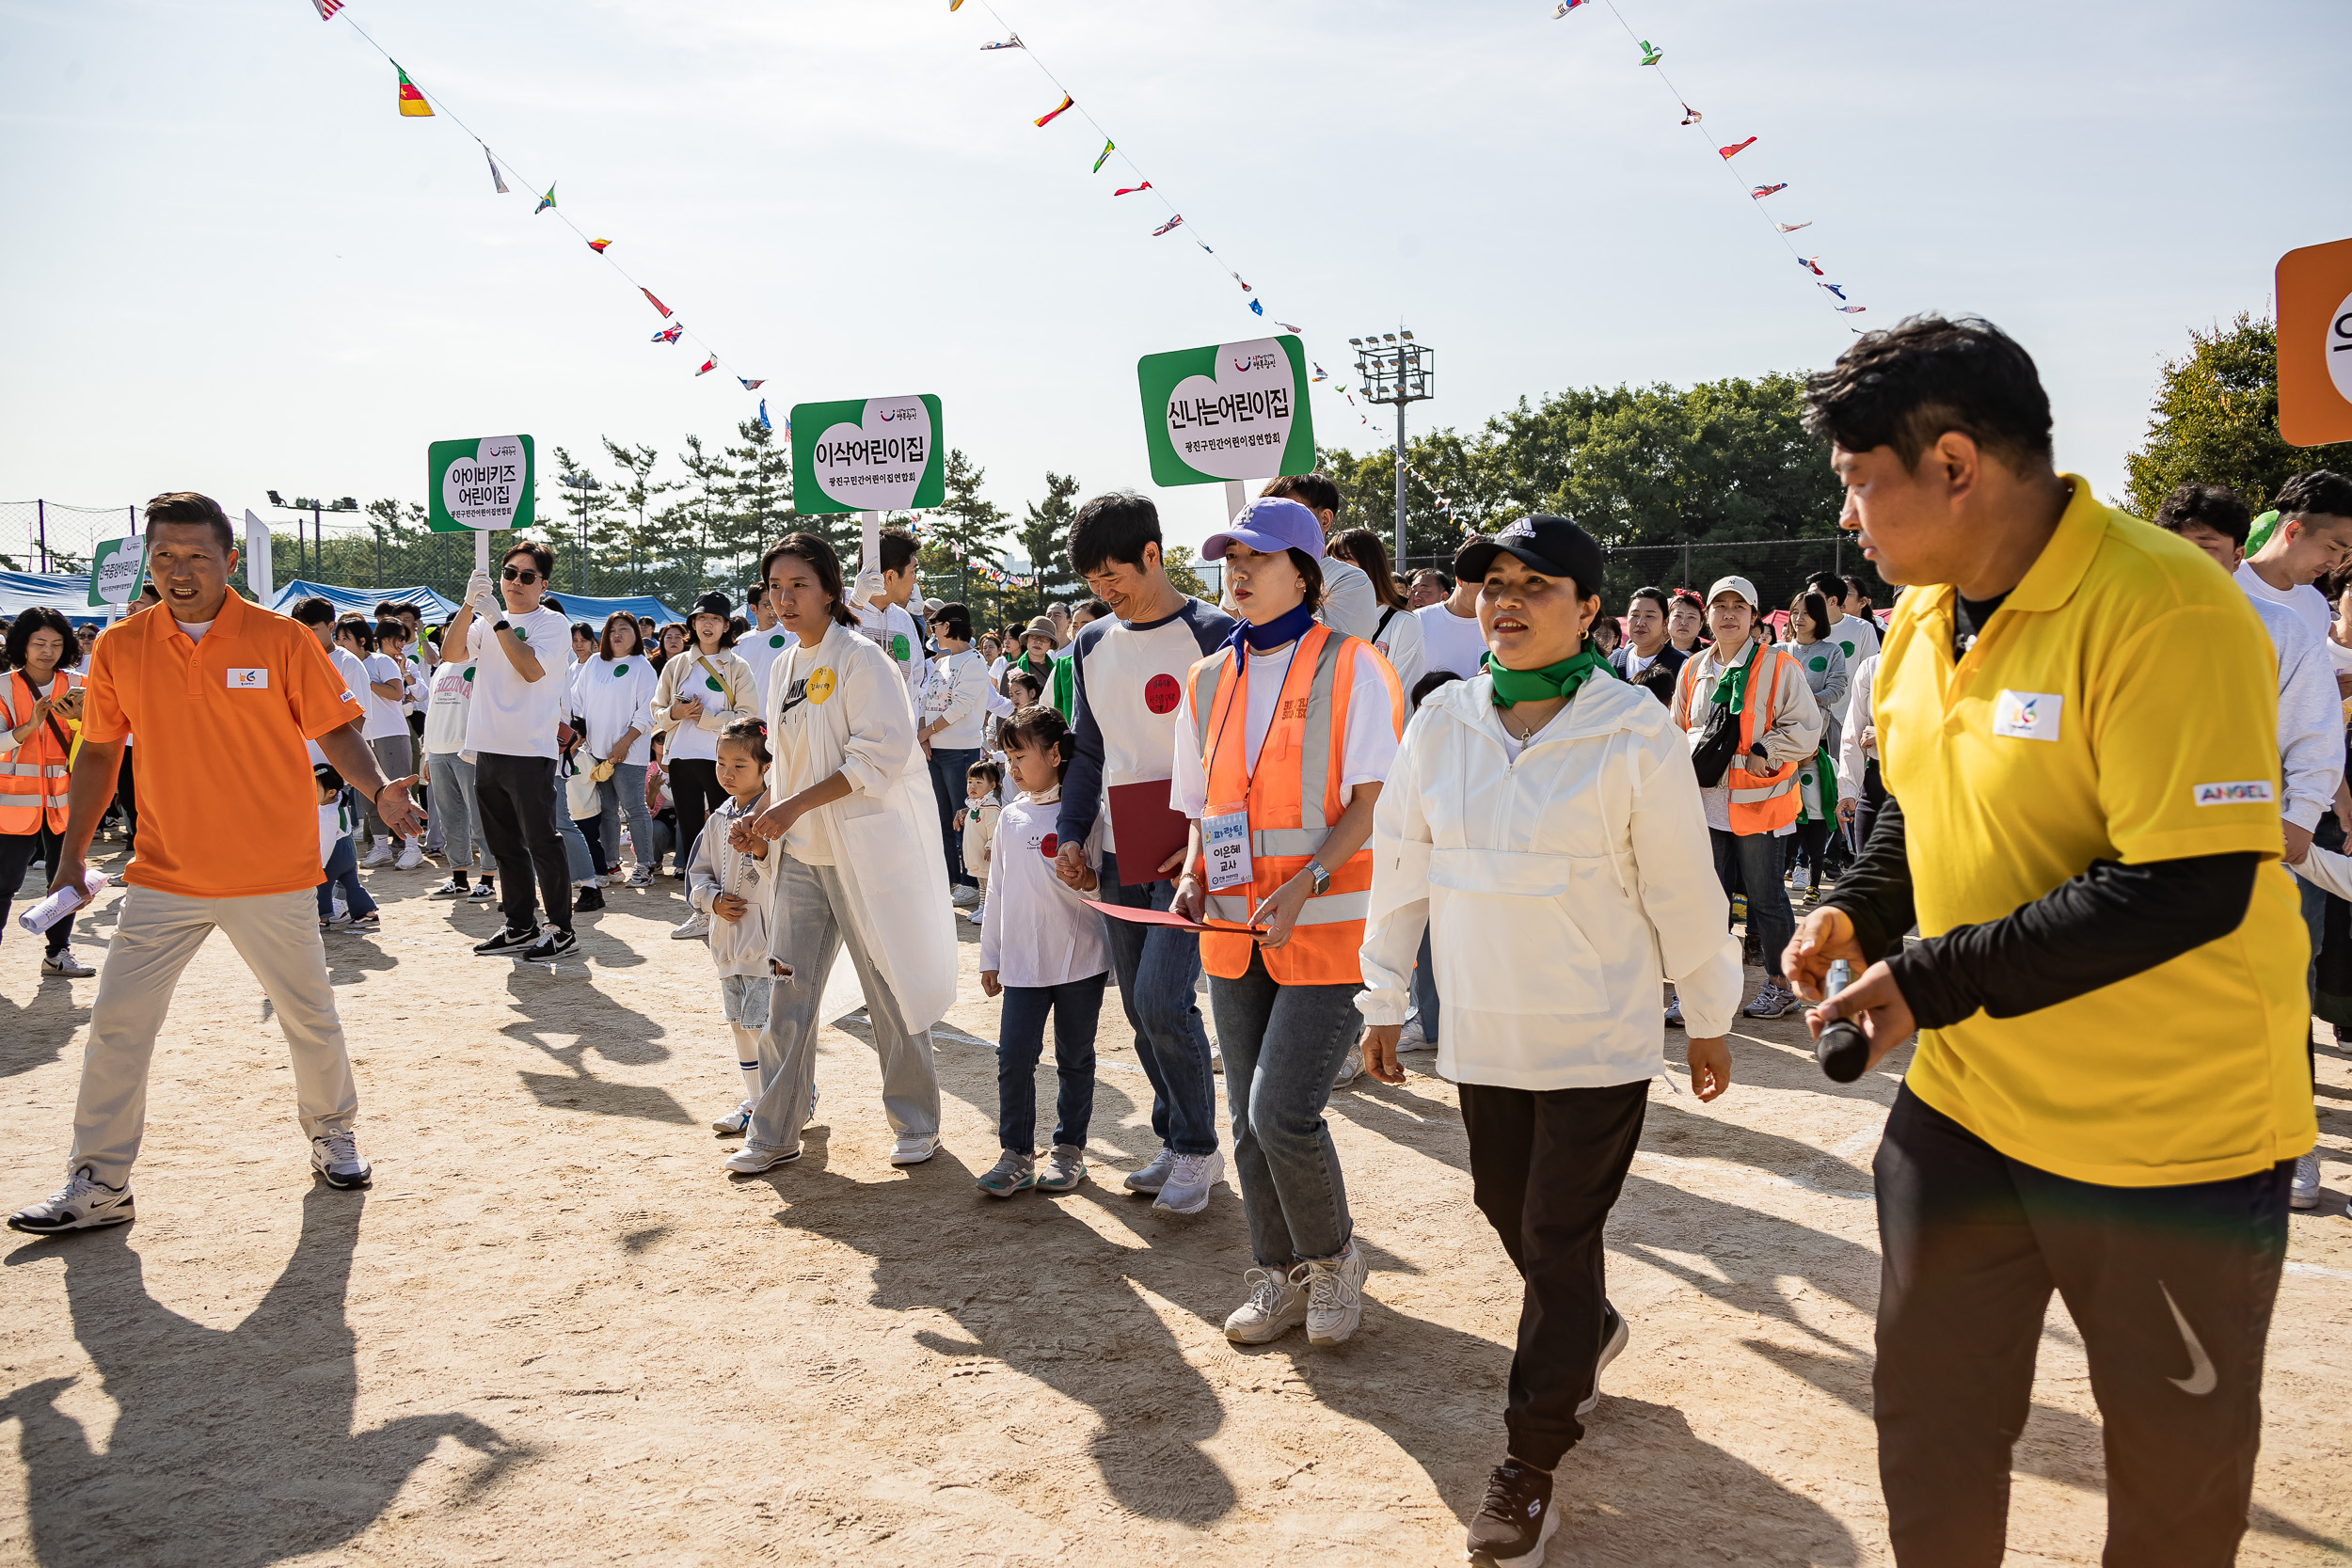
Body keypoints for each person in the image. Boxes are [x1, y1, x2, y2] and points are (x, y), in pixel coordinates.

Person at [1787, 315, 2312, 1566]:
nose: (1850, 518)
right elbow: (1922, 798)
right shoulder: (1920, 616)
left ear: (1955, 464)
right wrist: (1857, 905)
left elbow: (2184, 886)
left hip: (2168, 1136)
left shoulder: (2163, 606)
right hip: (1970, 1109)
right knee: (1933, 1422)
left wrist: (1927, 976)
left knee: (2174, 1476)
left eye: (1862, 481)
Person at [1355, 514, 1738, 1568]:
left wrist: (1707, 1010)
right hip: (1480, 1033)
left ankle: (1529, 1465)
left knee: (1555, 1238)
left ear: (1587, 610)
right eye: (1492, 584)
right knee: (1511, 1214)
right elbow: (1402, 860)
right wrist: (1382, 993)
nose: (1506, 601)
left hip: (1596, 1038)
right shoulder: (1443, 723)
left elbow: (1680, 885)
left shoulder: (1630, 728)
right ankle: (1589, 1327)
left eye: (1535, 583)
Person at [8, 492, 421, 1234]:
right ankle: (100, 1179)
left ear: (230, 560)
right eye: (164, 555)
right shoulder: (122, 648)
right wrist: (71, 854)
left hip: (274, 871)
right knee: (118, 1023)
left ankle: (332, 1129)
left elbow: (335, 729)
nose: (180, 570)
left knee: (308, 1016)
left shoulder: (280, 639)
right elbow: (99, 750)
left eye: (197, 554)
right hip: (165, 874)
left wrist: (380, 790)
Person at [1168, 496, 1405, 1343]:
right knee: (1243, 1119)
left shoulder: (1354, 665)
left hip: (1330, 924)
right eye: (1230, 558)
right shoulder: (1207, 679)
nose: (1237, 571)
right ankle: (1280, 1273)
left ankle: (1336, 1263)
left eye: (1256, 558)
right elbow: (1203, 811)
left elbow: (1376, 800)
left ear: (1303, 572)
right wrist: (1196, 876)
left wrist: (1308, 878)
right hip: (1233, 931)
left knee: (1281, 1112)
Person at [734, 531, 956, 1174]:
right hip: (802, 856)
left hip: (863, 852)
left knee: (888, 988)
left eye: (798, 584)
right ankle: (775, 1128)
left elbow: (877, 755)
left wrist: (788, 807)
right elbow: (789, 765)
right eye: (776, 587)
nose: (784, 598)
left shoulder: (862, 659)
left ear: (831, 589)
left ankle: (917, 1122)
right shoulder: (782, 665)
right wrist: (761, 814)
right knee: (787, 995)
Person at [2152, 481, 2344, 1213]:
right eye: (2181, 548)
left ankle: (2291, 1149)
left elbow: (2316, 734)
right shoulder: (2130, 627)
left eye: (2209, 550)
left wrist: (2299, 817)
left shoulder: (2281, 631)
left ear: (2236, 555)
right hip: (2155, 855)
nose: (2194, 563)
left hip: (2254, 850)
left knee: (2272, 1004)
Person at [1057, 490, 1235, 1212]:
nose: (1105, 594)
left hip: (1190, 849)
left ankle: (1199, 1149)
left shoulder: (1217, 634)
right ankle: (1176, 1133)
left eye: (1114, 576)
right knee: (1136, 1005)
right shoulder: (1091, 643)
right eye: (1093, 583)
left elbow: (1235, 755)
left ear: (1154, 555)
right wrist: (1072, 832)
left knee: (1167, 997)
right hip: (1116, 847)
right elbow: (1089, 751)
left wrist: (1199, 842)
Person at [1671, 575, 1821, 1020]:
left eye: (1740, 606)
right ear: (1709, 616)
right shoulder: (1694, 668)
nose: (1729, 613)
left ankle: (1782, 984)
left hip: (1760, 806)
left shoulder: (1778, 666)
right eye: (1721, 606)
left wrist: (1768, 749)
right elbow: (1675, 729)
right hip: (1705, 805)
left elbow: (1806, 727)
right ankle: (1701, 990)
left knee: (1766, 898)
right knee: (1706, 901)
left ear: (1754, 617)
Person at [976, 704, 1107, 1197]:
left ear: (1055, 754)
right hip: (1023, 965)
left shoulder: (1089, 812)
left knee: (1075, 1059)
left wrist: (1088, 879)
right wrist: (992, 957)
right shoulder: (1010, 817)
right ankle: (1016, 1155)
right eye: (1007, 758)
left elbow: (1104, 890)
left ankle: (1070, 1151)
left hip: (1080, 962)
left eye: (1020, 755)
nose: (1012, 767)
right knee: (1013, 1056)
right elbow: (999, 892)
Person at [444, 540, 579, 963]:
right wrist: (469, 606)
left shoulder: (552, 623)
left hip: (529, 747)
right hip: (487, 745)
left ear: (543, 584)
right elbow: (450, 654)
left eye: (526, 576)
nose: (515, 582)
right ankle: (521, 922)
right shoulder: (483, 621)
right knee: (502, 845)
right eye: (509, 573)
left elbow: (532, 669)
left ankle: (562, 927)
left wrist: (498, 619)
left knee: (542, 840)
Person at [689, 717, 780, 1140]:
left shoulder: (778, 814)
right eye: (721, 762)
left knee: (765, 1027)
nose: (727, 772)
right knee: (740, 1024)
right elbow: (699, 872)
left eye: (740, 764)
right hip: (727, 945)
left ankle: (785, 1098)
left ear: (766, 767)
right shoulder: (718, 817)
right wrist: (711, 901)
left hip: (766, 945)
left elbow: (782, 871)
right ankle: (756, 1100)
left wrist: (758, 847)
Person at [654, 592, 756, 940]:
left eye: (714, 619)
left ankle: (728, 902)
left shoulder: (738, 666)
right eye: (700, 619)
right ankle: (701, 908)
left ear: (726, 625)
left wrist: (707, 718)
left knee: (726, 831)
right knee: (690, 831)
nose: (707, 624)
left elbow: (748, 716)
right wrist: (675, 714)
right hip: (682, 757)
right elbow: (657, 710)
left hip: (722, 760)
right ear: (692, 625)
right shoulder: (677, 664)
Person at [0, 608, 95, 976]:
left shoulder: (80, 684)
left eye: (56, 643)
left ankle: (58, 953)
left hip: (65, 800)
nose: (47, 650)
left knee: (65, 880)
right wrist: (29, 726)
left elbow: (95, 739)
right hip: (11, 803)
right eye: (39, 642)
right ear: (21, 644)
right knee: (4, 884)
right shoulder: (4, 686)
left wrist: (75, 717)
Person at [570, 610, 661, 889]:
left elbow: (647, 713)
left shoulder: (641, 666)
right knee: (606, 810)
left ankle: (644, 865)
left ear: (636, 634)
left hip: (629, 753)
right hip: (597, 752)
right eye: (612, 630)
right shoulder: (595, 662)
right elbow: (577, 702)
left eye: (624, 629)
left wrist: (624, 743)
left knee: (634, 809)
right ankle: (611, 865)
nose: (617, 634)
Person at [1778, 588, 1850, 904]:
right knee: (1784, 807)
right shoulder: (1779, 650)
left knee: (1816, 809)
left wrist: (1805, 701)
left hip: (1817, 741)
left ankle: (1811, 869)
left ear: (1819, 617)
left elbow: (1837, 687)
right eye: (1795, 611)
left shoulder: (1833, 651)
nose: (1799, 618)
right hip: (1779, 741)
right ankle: (1789, 868)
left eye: (1806, 613)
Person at [919, 602, 991, 903]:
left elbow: (960, 707)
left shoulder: (973, 661)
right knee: (943, 819)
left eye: (936, 625)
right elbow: (925, 699)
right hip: (935, 749)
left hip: (960, 750)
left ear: (948, 627)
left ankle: (970, 883)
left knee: (964, 819)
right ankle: (951, 881)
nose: (933, 630)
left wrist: (926, 732)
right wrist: (925, 736)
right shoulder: (942, 662)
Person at [2234, 470, 2352, 644]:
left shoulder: (2316, 605)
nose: (2335, 562)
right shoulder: (2224, 586)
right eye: (2332, 547)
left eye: (2344, 551)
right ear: (2293, 531)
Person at [1263, 472, 1378, 640]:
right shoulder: (1247, 573)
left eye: (1289, 512)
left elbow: (1313, 647)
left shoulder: (1352, 582)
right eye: (1268, 512)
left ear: (1325, 520)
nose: (1275, 523)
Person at [419, 639, 489, 902]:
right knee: (450, 819)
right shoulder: (442, 667)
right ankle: (459, 878)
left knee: (480, 818)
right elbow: (431, 712)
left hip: (468, 749)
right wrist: (427, 753)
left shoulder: (483, 664)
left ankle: (488, 878)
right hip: (438, 749)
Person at [356, 618, 422, 869]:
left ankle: (412, 848)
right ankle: (381, 847)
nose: (340, 643)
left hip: (390, 733)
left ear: (362, 640)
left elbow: (395, 693)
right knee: (369, 794)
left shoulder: (381, 661)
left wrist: (364, 682)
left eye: (344, 638)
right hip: (364, 735)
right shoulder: (347, 664)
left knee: (399, 791)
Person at [1327, 527, 1427, 692]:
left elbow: (1402, 696)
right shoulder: (1319, 617)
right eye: (1331, 562)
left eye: (1344, 562)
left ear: (1372, 566)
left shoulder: (1403, 623)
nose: (1336, 571)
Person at [852, 526, 928, 700]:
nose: (915, 580)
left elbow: (915, 683)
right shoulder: (836, 610)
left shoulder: (905, 620)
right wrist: (855, 607)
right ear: (891, 577)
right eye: (913, 571)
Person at [313, 762, 378, 933]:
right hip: (349, 849)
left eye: (315, 790)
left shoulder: (327, 814)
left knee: (323, 886)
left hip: (334, 853)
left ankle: (322, 918)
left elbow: (326, 843)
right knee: (352, 884)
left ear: (331, 792)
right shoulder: (339, 799)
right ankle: (368, 913)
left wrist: (320, 865)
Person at [1413, 543, 1488, 682]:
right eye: (1483, 584)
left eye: (1497, 582)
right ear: (1460, 578)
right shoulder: (1418, 622)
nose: (1490, 593)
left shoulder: (1504, 627)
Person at [1609, 585, 1687, 706]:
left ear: (1665, 623)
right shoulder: (1612, 663)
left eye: (1649, 616)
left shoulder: (1682, 665)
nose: (1640, 623)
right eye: (1634, 615)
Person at [958, 756, 1003, 927]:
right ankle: (982, 905)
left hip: (987, 856)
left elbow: (994, 830)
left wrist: (991, 846)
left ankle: (989, 910)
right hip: (977, 854)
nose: (973, 787)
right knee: (982, 882)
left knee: (989, 882)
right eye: (970, 782)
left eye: (978, 782)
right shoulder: (975, 805)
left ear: (992, 786)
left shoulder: (990, 806)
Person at [1811, 569, 1882, 668]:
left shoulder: (1863, 629)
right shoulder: (1803, 626)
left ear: (1833, 601)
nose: (1808, 601)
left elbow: (1871, 671)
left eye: (1814, 596)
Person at [1665, 589, 1708, 656]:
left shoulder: (1707, 659)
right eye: (1678, 616)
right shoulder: (1652, 656)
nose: (1684, 622)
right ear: (1667, 621)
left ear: (1701, 624)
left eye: (1691, 617)